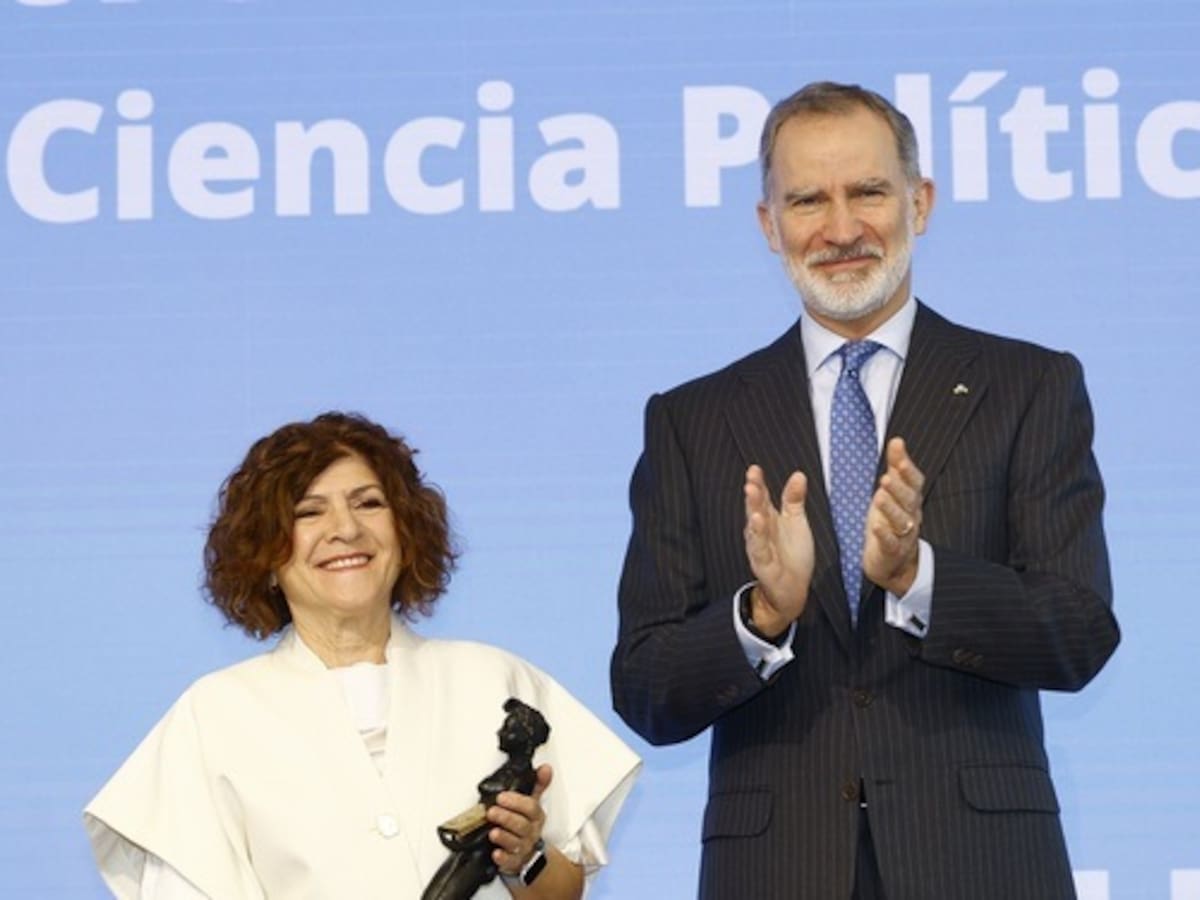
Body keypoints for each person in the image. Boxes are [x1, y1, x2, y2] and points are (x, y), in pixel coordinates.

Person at [610, 81, 1119, 900]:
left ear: (920, 202)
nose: (841, 229)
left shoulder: (1029, 386)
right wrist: (760, 617)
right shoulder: (691, 420)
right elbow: (644, 688)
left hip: (982, 868)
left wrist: (919, 578)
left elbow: (1079, 631)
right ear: (768, 226)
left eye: (869, 192)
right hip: (775, 872)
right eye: (808, 199)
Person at [85, 412, 639, 900]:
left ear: (406, 531)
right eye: (309, 513)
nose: (345, 530)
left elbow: (564, 894)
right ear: (265, 553)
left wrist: (526, 858)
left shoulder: (499, 683)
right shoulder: (213, 716)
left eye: (368, 503)